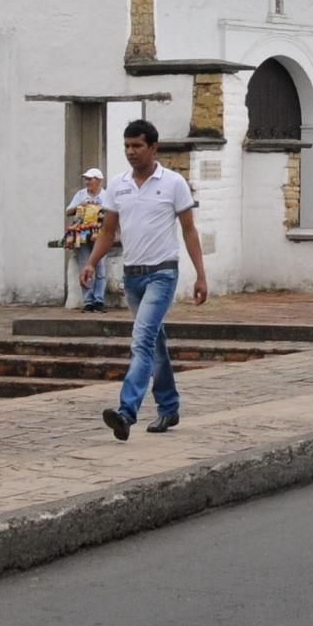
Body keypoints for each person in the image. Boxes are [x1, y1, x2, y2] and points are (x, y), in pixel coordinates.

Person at [80, 119, 208, 440]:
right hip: (133, 275)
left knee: (141, 340)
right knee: (155, 344)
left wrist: (201, 275)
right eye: (127, 146)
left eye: (137, 146)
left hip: (162, 273)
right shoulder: (119, 186)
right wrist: (92, 263)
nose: (131, 152)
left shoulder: (174, 183)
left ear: (153, 147)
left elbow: (189, 230)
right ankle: (169, 407)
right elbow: (108, 231)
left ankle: (126, 412)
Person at [65, 166, 111, 310]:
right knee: (84, 265)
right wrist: (81, 205)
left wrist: (101, 211)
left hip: (100, 235)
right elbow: (68, 211)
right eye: (86, 179)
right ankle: (87, 300)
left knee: (100, 267)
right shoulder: (81, 194)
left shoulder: (106, 196)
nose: (87, 182)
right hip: (83, 234)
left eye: (90, 179)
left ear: (99, 181)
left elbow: (113, 214)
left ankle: (99, 300)